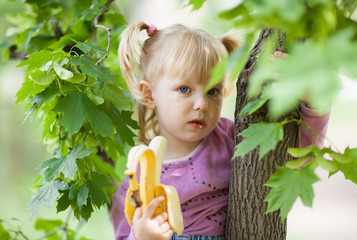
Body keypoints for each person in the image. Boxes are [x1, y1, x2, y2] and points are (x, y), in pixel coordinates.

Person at [111, 22, 330, 240]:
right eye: (184, 89)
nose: (201, 104)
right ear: (149, 94)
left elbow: (295, 157)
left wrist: (315, 105)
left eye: (213, 91)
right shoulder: (139, 177)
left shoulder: (229, 139)